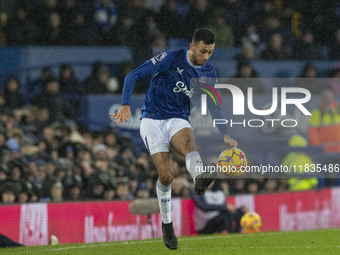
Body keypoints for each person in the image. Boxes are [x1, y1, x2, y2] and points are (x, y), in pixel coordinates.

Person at [110, 28, 237, 250]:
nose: (206, 56)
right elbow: (133, 75)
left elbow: (214, 104)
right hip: (152, 120)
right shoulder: (171, 58)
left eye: (210, 52)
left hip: (178, 118)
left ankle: (200, 177)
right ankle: (167, 225)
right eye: (203, 51)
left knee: (188, 140)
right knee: (167, 176)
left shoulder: (208, 72)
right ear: (192, 46)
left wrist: (224, 132)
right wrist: (125, 104)